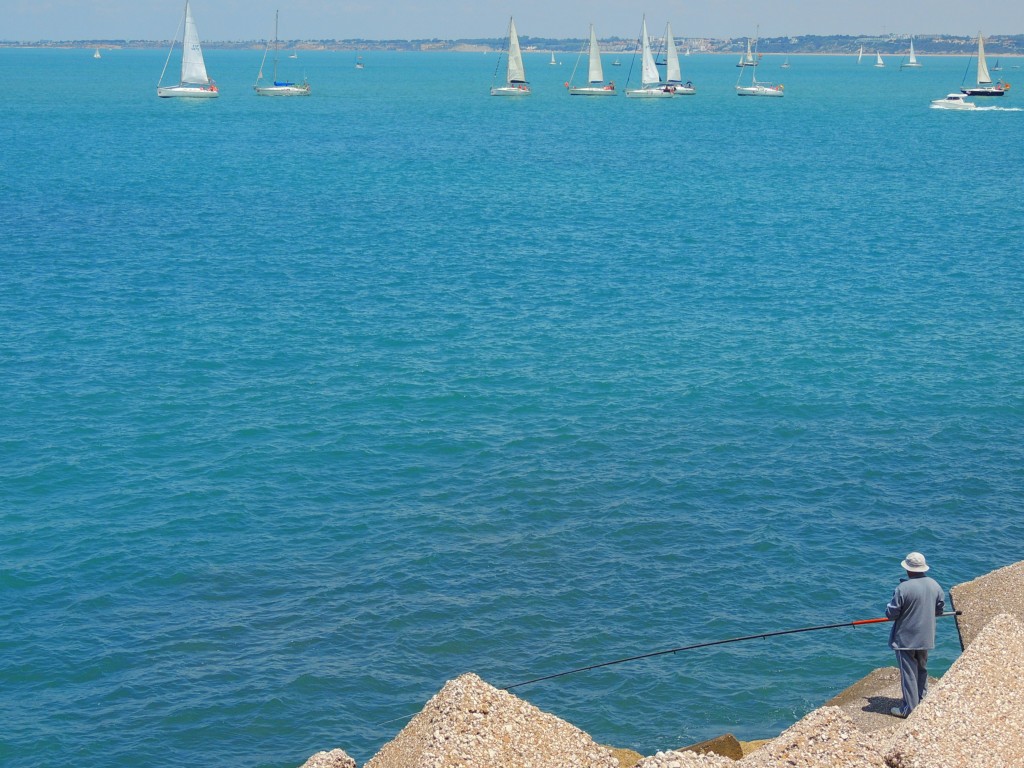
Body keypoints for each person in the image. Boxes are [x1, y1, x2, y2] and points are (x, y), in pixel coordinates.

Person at [885, 552, 945, 717]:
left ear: (908, 569)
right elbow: (939, 609)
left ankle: (908, 709)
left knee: (908, 673)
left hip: (906, 639)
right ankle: (921, 701)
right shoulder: (935, 585)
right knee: (921, 669)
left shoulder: (902, 588)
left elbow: (892, 613)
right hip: (926, 636)